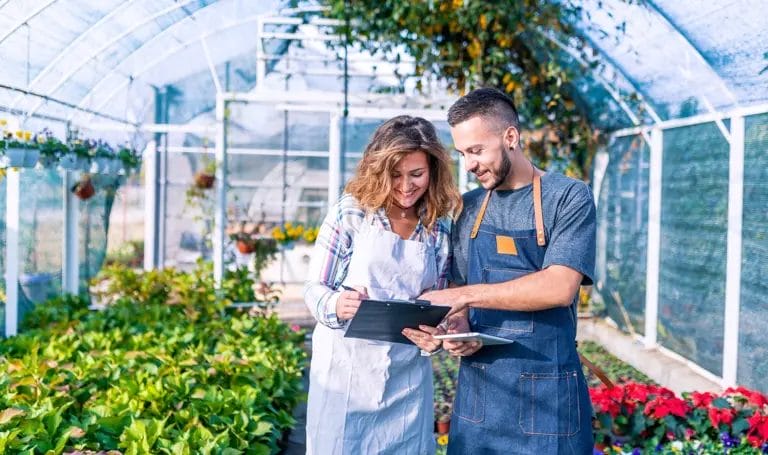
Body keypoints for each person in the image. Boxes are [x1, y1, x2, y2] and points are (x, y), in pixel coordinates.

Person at [421, 88, 596, 454]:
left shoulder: (568, 197)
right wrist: (459, 326)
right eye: (462, 153)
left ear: (511, 137)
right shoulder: (467, 208)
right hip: (481, 400)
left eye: (476, 150)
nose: (468, 164)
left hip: (548, 399)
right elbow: (459, 284)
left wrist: (464, 296)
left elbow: (559, 287)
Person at [303, 115, 462, 454]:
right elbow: (315, 289)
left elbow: (442, 301)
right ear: (378, 170)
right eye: (395, 175)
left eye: (416, 174)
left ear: (433, 171)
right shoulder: (352, 213)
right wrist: (337, 305)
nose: (406, 186)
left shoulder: (438, 227)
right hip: (346, 376)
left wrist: (437, 333)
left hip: (406, 378)